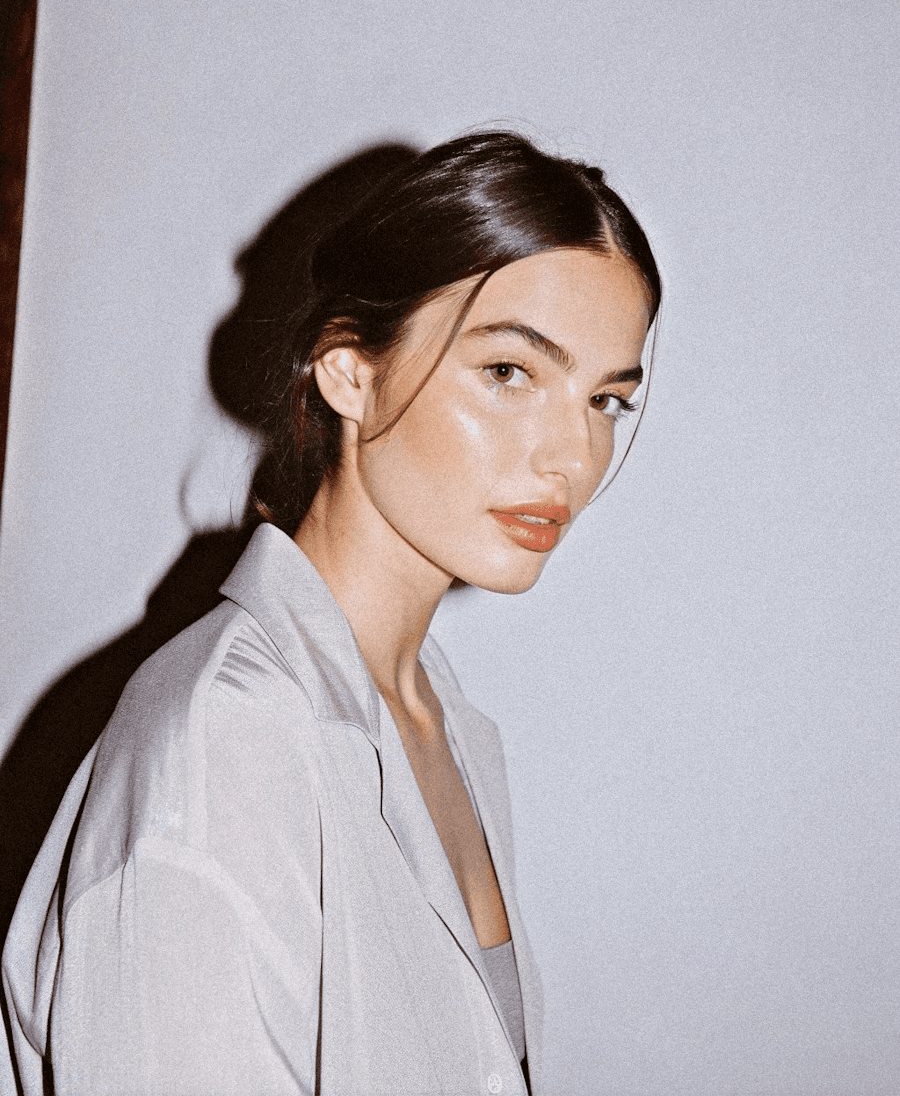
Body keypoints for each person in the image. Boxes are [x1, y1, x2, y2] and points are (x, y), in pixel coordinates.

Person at [1, 131, 661, 1095]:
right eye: (510, 373)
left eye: (606, 399)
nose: (572, 456)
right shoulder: (226, 740)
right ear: (350, 370)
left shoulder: (450, 723)